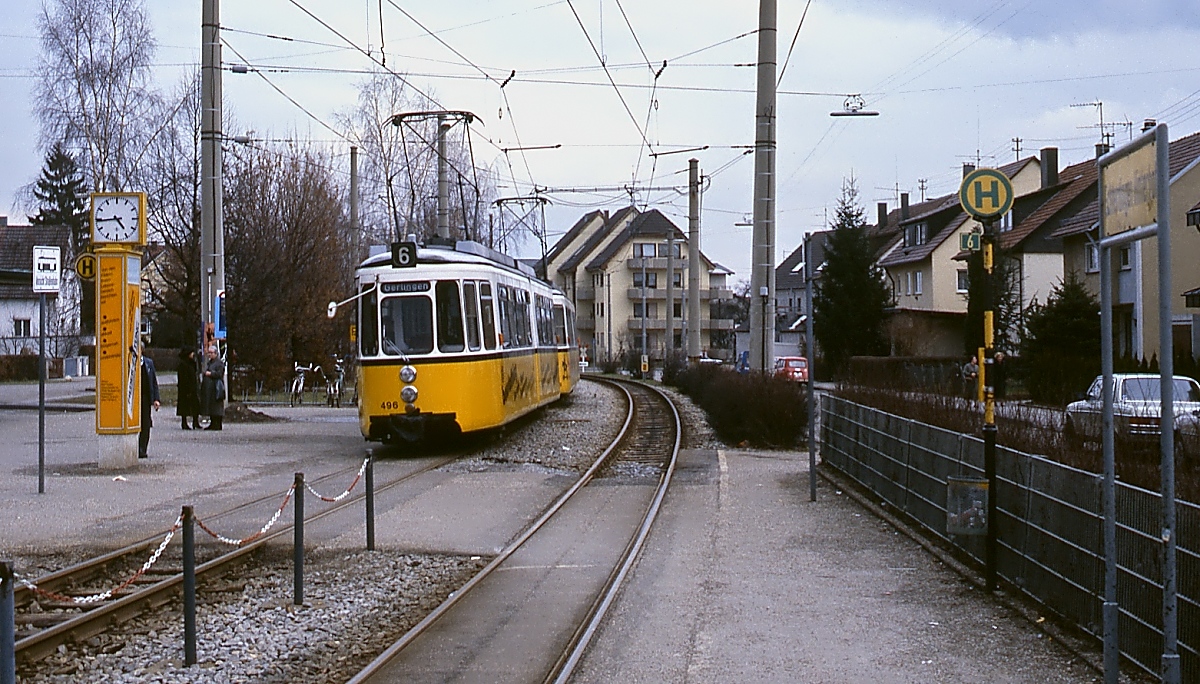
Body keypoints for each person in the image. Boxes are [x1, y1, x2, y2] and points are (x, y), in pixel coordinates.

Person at [139, 342, 161, 458]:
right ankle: (136, 447)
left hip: (145, 398)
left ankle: (143, 448)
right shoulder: (130, 363)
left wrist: (156, 399)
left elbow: (153, 382)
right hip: (133, 399)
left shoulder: (148, 363)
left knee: (146, 423)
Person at [201, 344, 226, 431]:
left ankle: (218, 424)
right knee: (211, 406)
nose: (210, 355)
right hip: (210, 388)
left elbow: (219, 374)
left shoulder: (219, 363)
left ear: (216, 354)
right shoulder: (209, 363)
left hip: (217, 387)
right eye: (209, 353)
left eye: (211, 353)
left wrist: (211, 374)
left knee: (217, 406)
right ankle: (212, 423)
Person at [176, 348, 201, 429]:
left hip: (193, 388)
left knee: (195, 406)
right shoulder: (183, 365)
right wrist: (188, 389)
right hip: (185, 389)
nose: (193, 354)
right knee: (185, 406)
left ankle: (195, 422)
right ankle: (184, 423)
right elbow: (183, 378)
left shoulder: (192, 363)